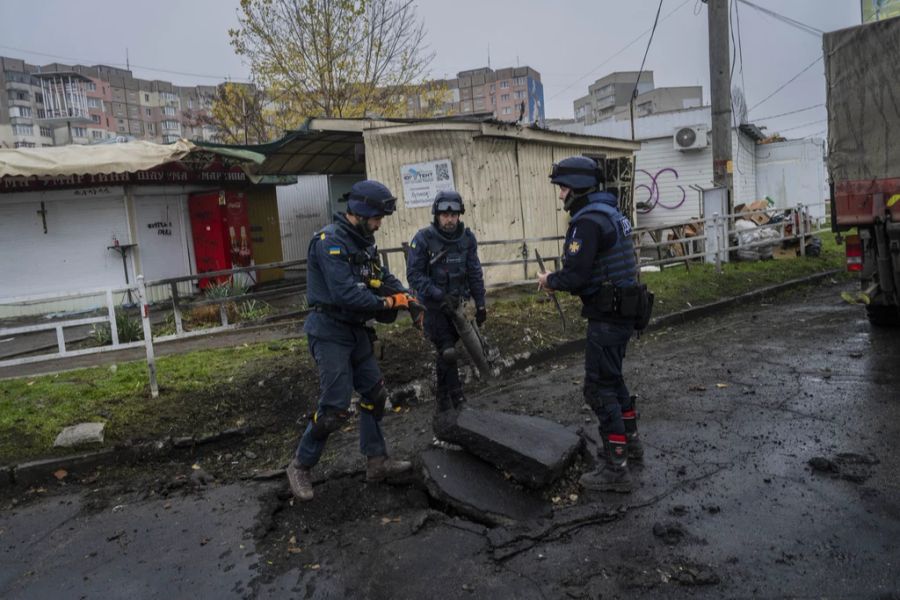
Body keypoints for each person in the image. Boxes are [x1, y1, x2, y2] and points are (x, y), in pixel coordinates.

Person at [286, 180, 418, 502]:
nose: (380, 223)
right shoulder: (328, 242)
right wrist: (389, 304)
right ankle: (300, 465)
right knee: (334, 408)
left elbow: (381, 278)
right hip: (329, 330)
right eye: (377, 217)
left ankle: (377, 461)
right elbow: (346, 293)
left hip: (356, 330)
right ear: (360, 212)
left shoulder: (364, 242)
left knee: (375, 393)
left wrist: (408, 297)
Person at [537, 156, 647, 493]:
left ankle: (615, 468)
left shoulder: (586, 222)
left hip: (607, 315)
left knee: (598, 387)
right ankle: (631, 444)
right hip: (624, 311)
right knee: (613, 381)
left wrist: (550, 279)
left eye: (564, 188)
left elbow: (576, 275)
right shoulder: (612, 213)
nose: (560, 195)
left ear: (579, 188)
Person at [406, 190, 487, 414]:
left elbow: (474, 272)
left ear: (459, 215)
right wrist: (438, 294)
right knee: (447, 351)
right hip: (434, 308)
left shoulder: (467, 239)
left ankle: (443, 399)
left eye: (453, 215)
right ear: (437, 215)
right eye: (444, 215)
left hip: (459, 308)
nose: (449, 219)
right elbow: (414, 275)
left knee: (448, 355)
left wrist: (480, 304)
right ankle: (457, 397)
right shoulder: (423, 239)